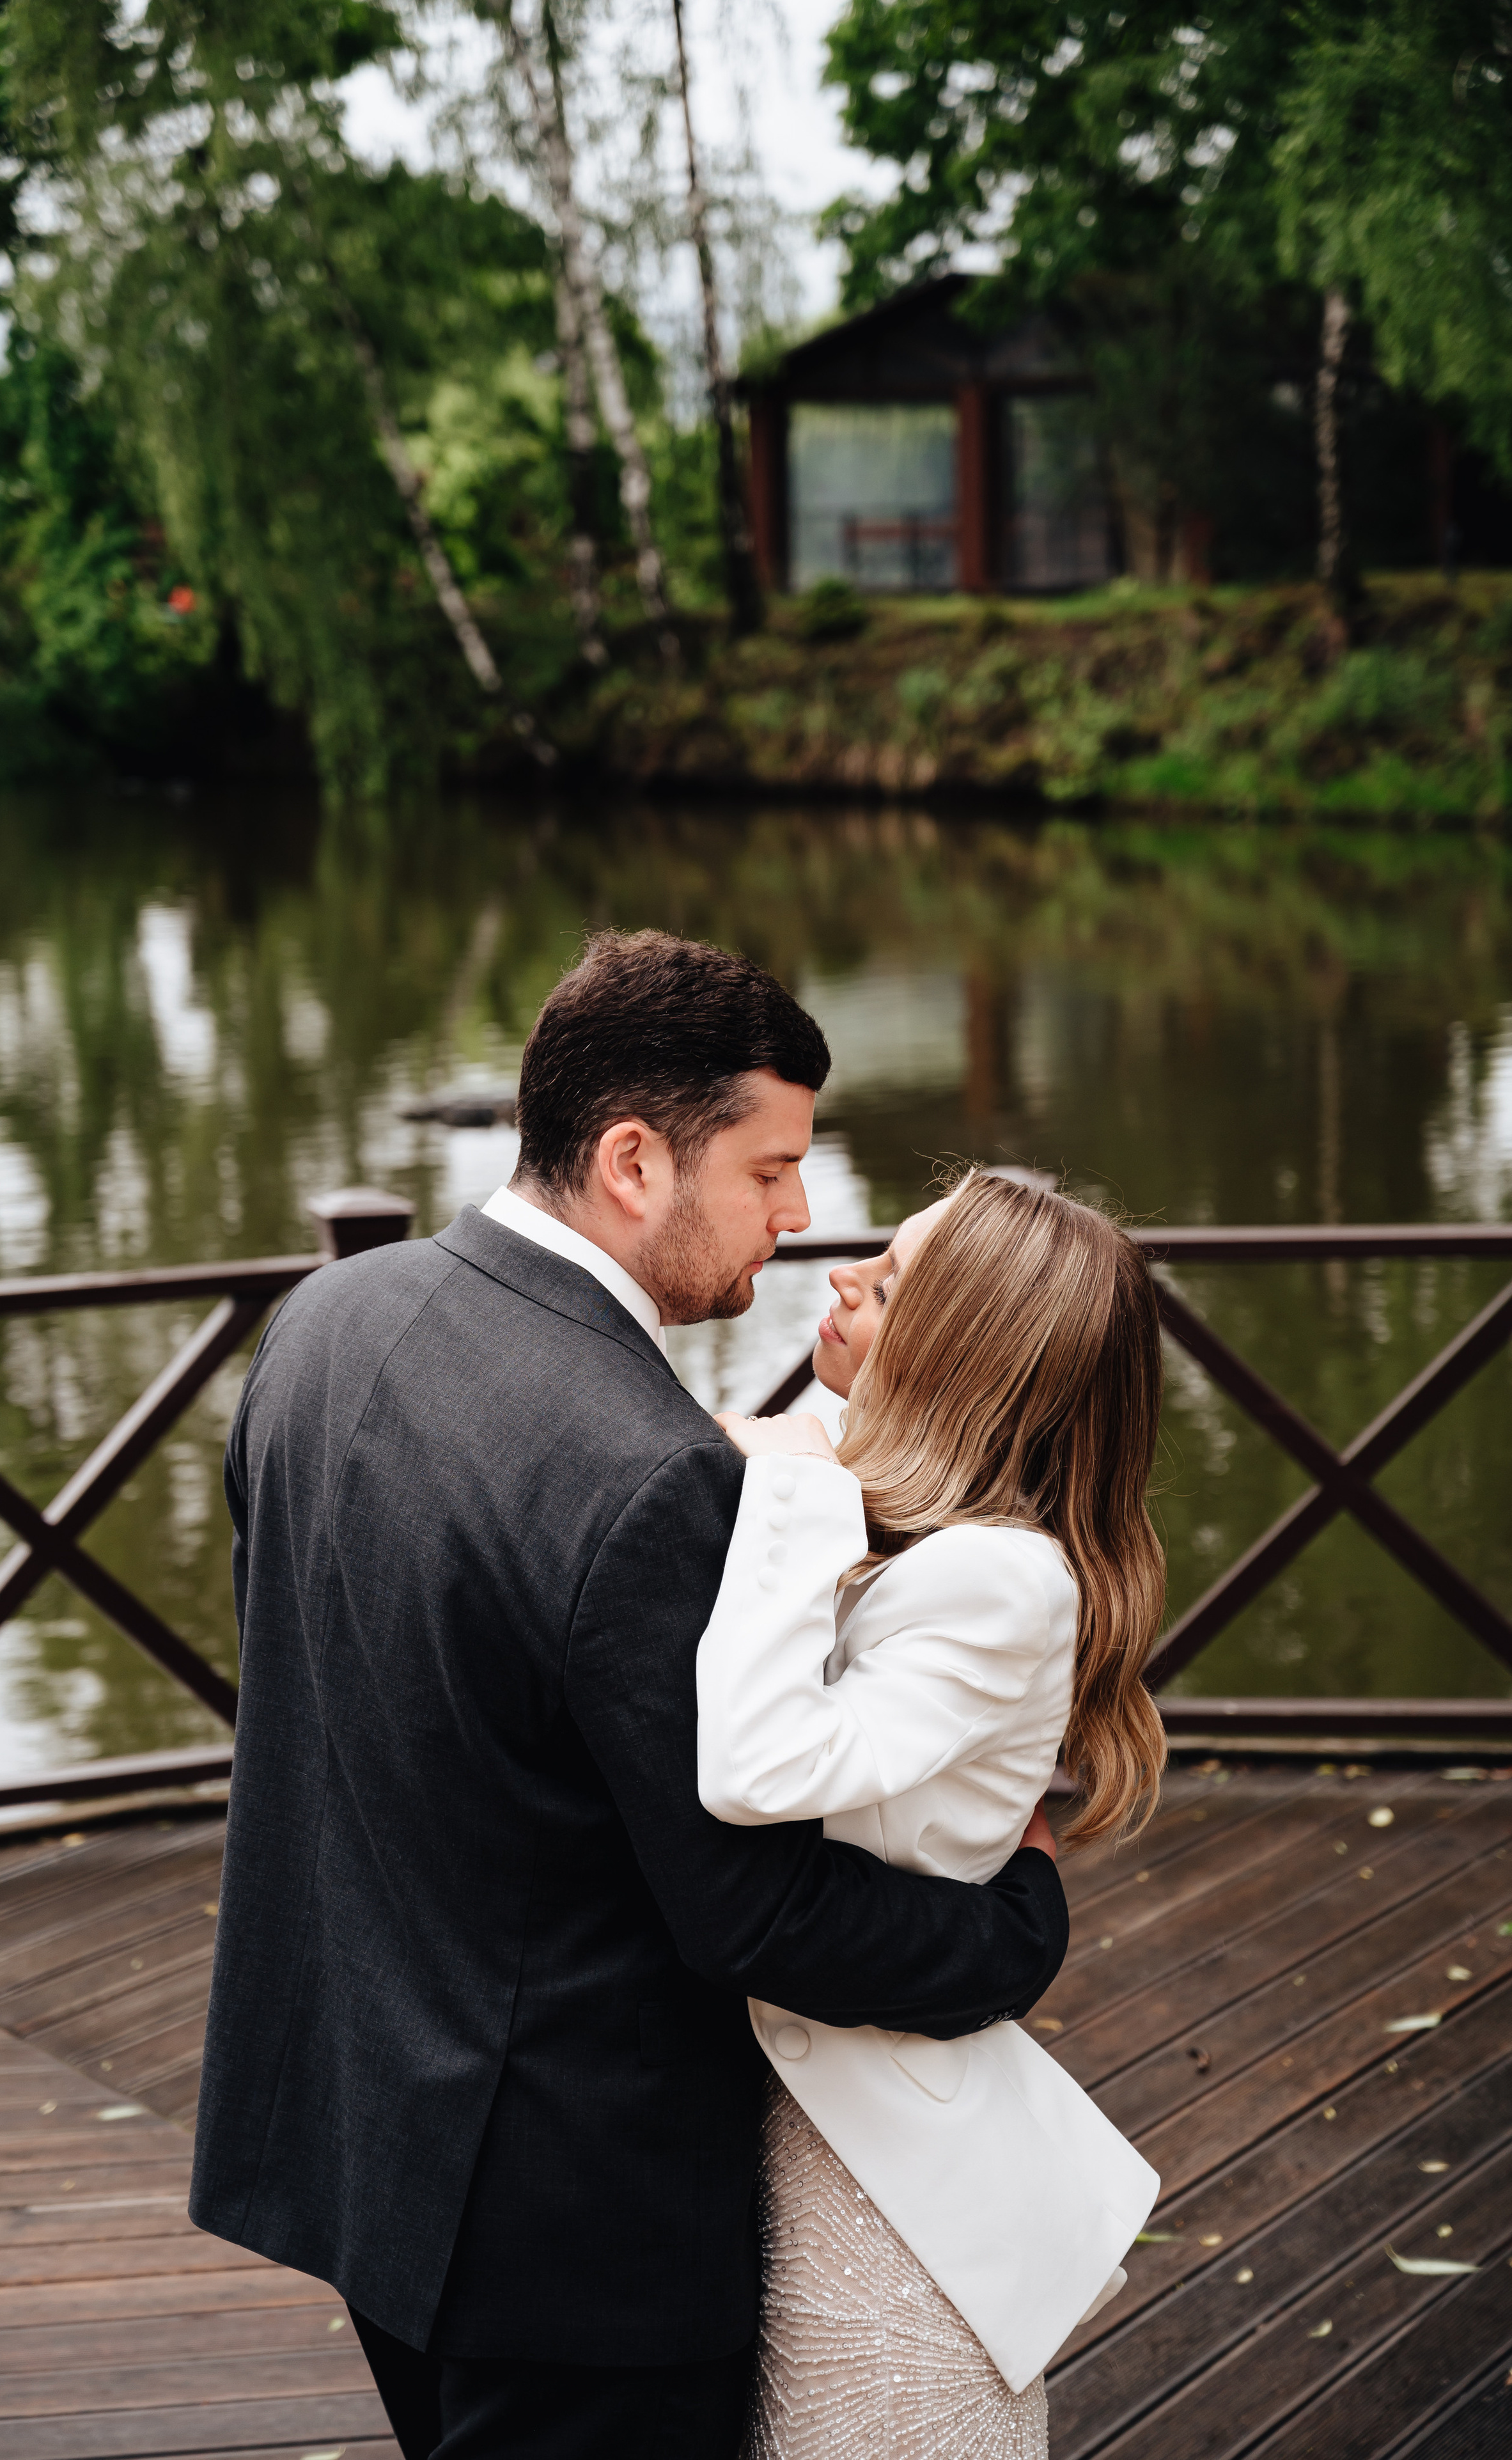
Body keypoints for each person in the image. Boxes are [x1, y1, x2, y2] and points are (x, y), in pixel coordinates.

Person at [189, 930, 1070, 2460]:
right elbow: (747, 1912)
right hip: (569, 2233)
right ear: (631, 1161)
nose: (798, 1219)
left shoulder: (325, 1323)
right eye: (771, 1170)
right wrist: (1011, 1932)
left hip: (354, 2136)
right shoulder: (650, 1471)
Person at [696, 1173, 1169, 2460]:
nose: (841, 1278)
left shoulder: (994, 1574)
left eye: (890, 1280)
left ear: (970, 1350)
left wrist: (791, 1476)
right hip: (810, 2139)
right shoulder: (917, 1534)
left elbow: (756, 1767)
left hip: (886, 2204)